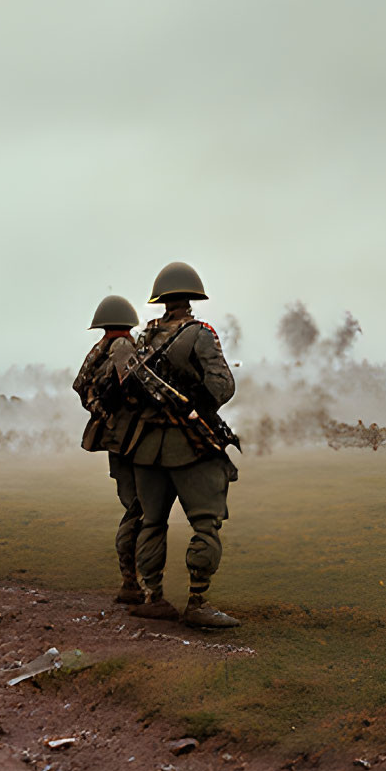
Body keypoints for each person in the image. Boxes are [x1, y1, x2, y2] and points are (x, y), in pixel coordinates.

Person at [125, 262, 240, 630]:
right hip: (190, 446)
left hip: (144, 449)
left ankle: (153, 598)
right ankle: (197, 601)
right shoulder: (201, 334)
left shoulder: (143, 339)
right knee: (206, 524)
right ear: (192, 297)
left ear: (162, 299)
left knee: (151, 523)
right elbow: (223, 387)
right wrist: (196, 408)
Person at [73, 294, 145, 604]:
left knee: (132, 506)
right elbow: (134, 385)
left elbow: (80, 386)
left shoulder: (98, 350)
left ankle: (131, 581)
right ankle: (130, 583)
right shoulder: (124, 347)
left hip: (116, 442)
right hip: (132, 441)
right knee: (138, 511)